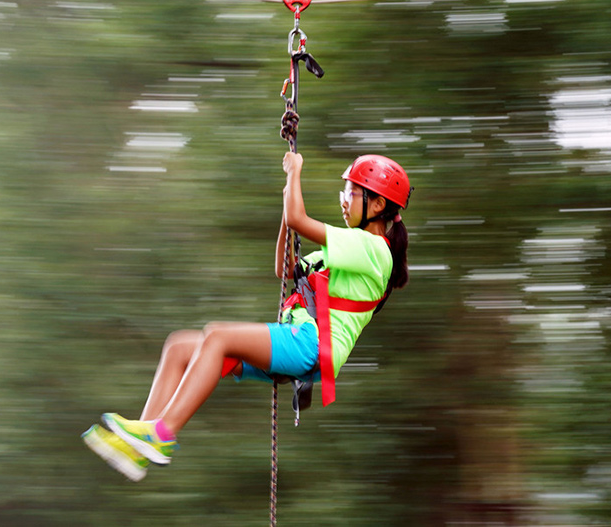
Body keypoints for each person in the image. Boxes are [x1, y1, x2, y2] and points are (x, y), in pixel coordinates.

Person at [82, 152, 412, 481]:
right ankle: (143, 441)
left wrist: (294, 173)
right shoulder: (341, 252)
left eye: (350, 193)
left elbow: (301, 219)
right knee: (179, 346)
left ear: (377, 204)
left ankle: (162, 435)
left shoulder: (373, 248)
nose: (343, 201)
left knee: (217, 335)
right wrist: (287, 209)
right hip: (299, 341)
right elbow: (283, 270)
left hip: (311, 346)